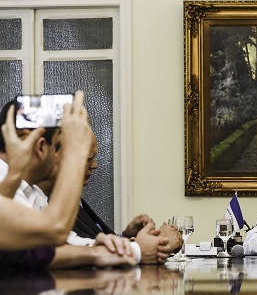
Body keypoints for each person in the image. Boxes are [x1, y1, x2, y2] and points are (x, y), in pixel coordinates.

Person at [0, 91, 138, 268]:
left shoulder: (27, 188)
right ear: (41, 147)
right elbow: (54, 230)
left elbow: (63, 241)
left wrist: (98, 245)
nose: (57, 155)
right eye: (57, 146)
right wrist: (76, 150)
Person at [68, 130, 182, 261]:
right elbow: (78, 253)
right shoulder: (50, 204)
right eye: (88, 158)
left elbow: (91, 243)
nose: (95, 165)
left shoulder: (74, 198)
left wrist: (125, 236)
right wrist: (160, 242)